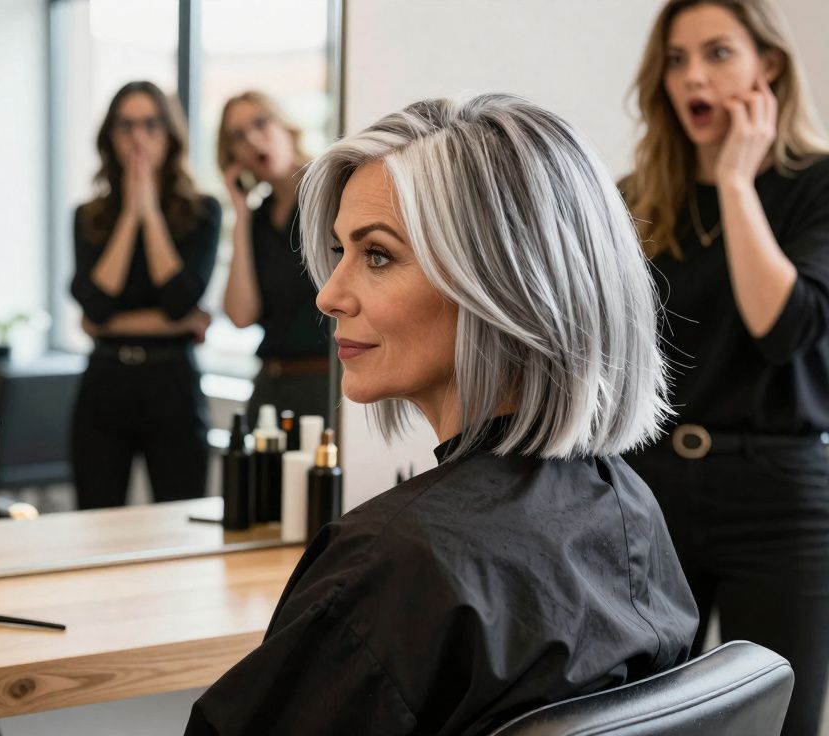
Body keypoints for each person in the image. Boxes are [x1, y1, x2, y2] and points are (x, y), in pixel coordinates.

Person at [185, 95, 698, 735]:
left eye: (376, 255)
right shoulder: (627, 506)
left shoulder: (394, 566)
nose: (329, 293)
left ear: (498, 285)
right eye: (340, 251)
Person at [619, 2, 829, 734]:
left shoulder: (817, 184)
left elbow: (784, 329)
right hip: (649, 488)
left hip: (779, 498)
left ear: (767, 64)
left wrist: (736, 181)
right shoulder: (637, 201)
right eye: (677, 60)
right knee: (631, 718)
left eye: (717, 53)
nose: (693, 77)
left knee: (779, 722)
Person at [69, 81, 222, 509]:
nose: (139, 137)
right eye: (126, 126)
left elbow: (177, 300)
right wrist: (130, 216)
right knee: (96, 522)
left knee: (179, 518)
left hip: (172, 380)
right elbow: (96, 307)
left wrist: (150, 212)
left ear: (170, 134)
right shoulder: (88, 217)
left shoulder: (202, 212)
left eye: (151, 125)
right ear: (110, 137)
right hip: (105, 382)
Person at [218, 91, 330, 424]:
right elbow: (240, 315)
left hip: (325, 384)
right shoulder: (259, 218)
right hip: (270, 385)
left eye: (260, 124)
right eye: (238, 136)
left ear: (286, 127)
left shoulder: (329, 194)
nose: (253, 140)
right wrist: (240, 213)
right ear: (233, 155)